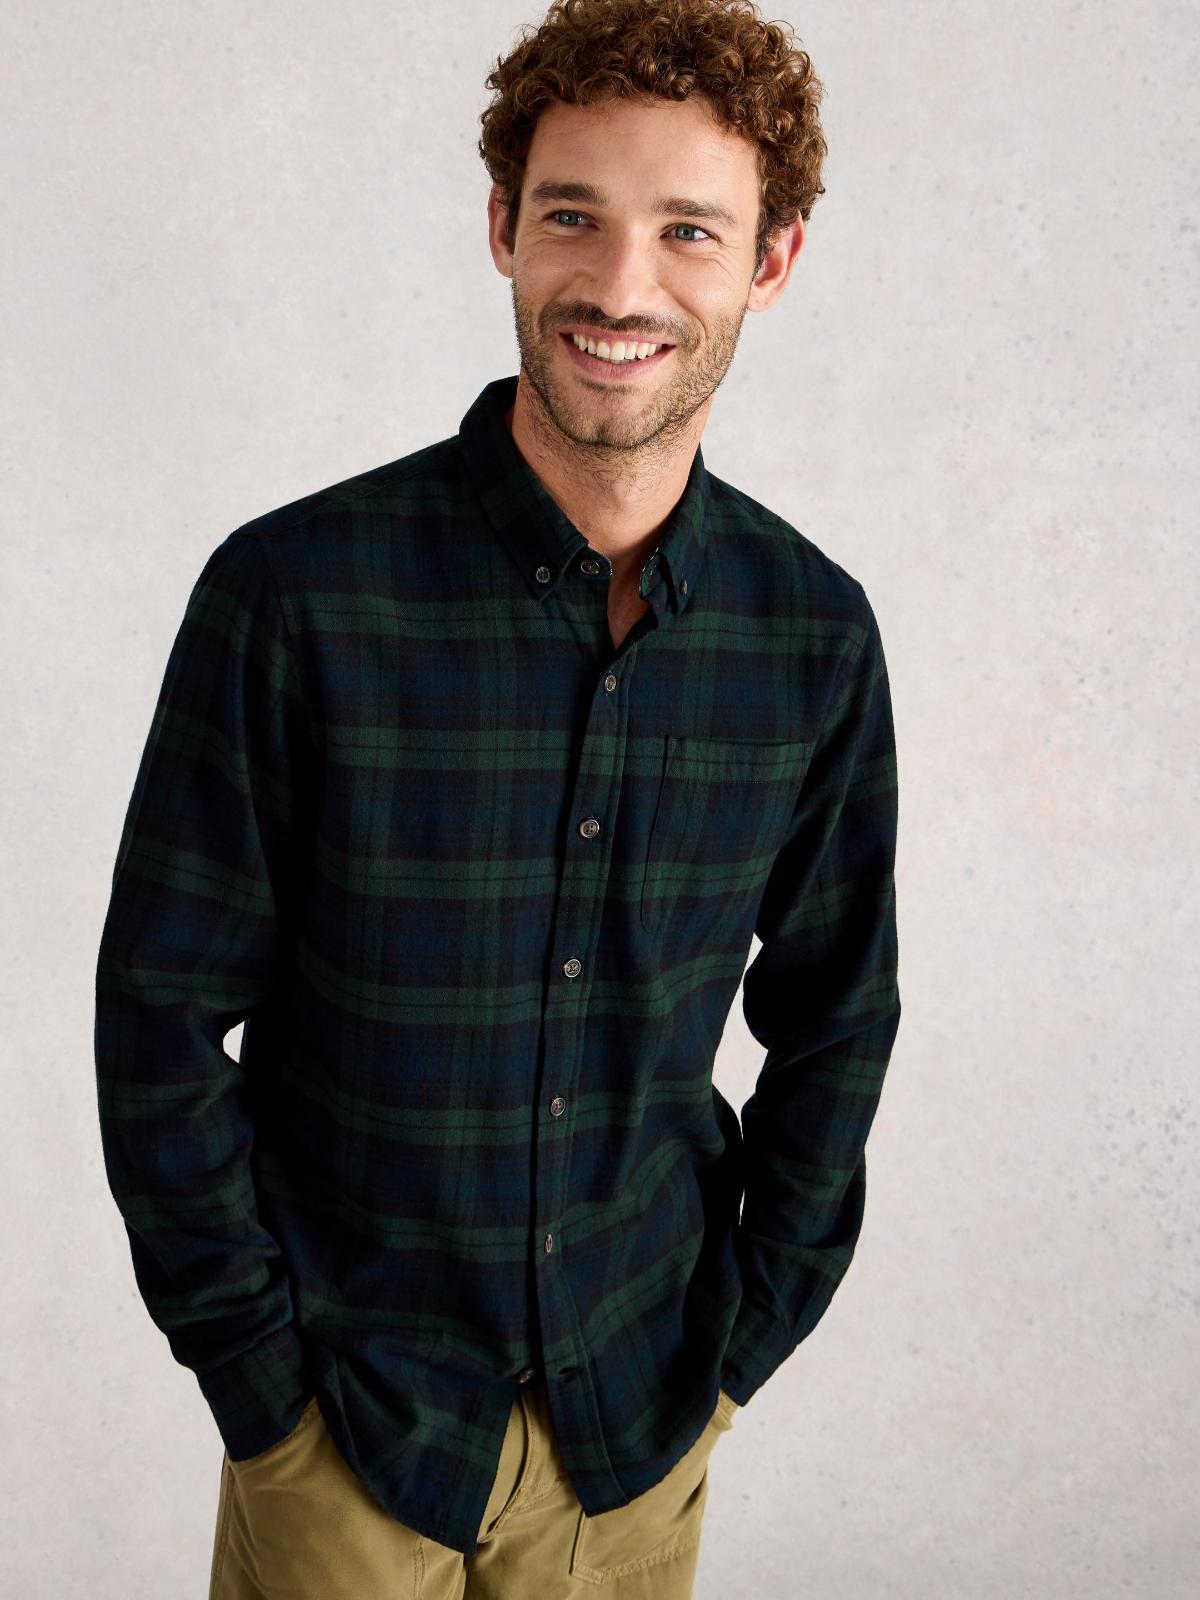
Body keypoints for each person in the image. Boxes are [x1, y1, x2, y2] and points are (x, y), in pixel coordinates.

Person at [93, 1, 902, 1595]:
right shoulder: (295, 597)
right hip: (345, 1435)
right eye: (573, 217)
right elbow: (160, 1020)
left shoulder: (813, 637)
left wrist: (740, 1343)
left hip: (637, 1437)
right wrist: (264, 1395)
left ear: (773, 261)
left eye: (688, 230)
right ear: (503, 231)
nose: (621, 286)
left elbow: (839, 1020)